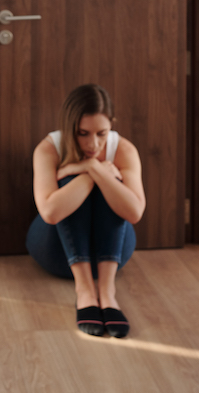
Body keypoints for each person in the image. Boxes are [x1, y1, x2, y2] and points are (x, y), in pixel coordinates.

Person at [26, 84, 145, 338]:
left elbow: (135, 212)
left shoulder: (124, 149)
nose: (93, 143)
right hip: (56, 252)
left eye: (102, 133)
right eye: (82, 133)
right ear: (70, 128)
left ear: (111, 124)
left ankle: (107, 292)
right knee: (72, 188)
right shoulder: (48, 148)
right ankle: (85, 292)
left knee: (112, 189)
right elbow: (50, 212)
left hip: (113, 255)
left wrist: (93, 170)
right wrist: (94, 170)